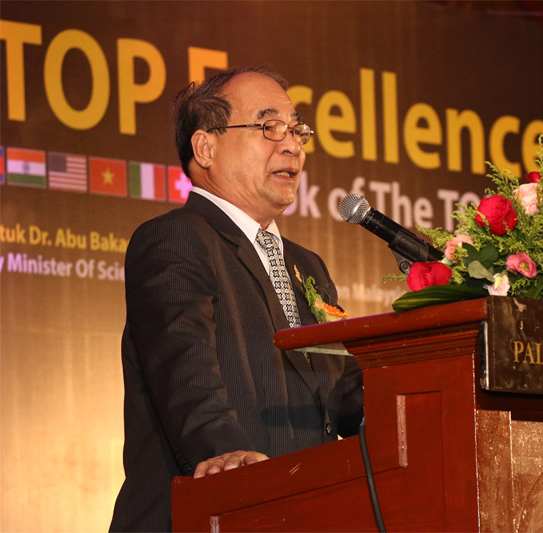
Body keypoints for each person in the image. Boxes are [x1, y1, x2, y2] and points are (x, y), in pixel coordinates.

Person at [110, 66, 364, 532]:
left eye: (297, 130)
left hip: (303, 515)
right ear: (206, 147)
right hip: (208, 517)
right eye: (269, 127)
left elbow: (345, 394)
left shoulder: (306, 266)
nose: (292, 145)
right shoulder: (175, 239)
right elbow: (185, 371)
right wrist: (230, 457)